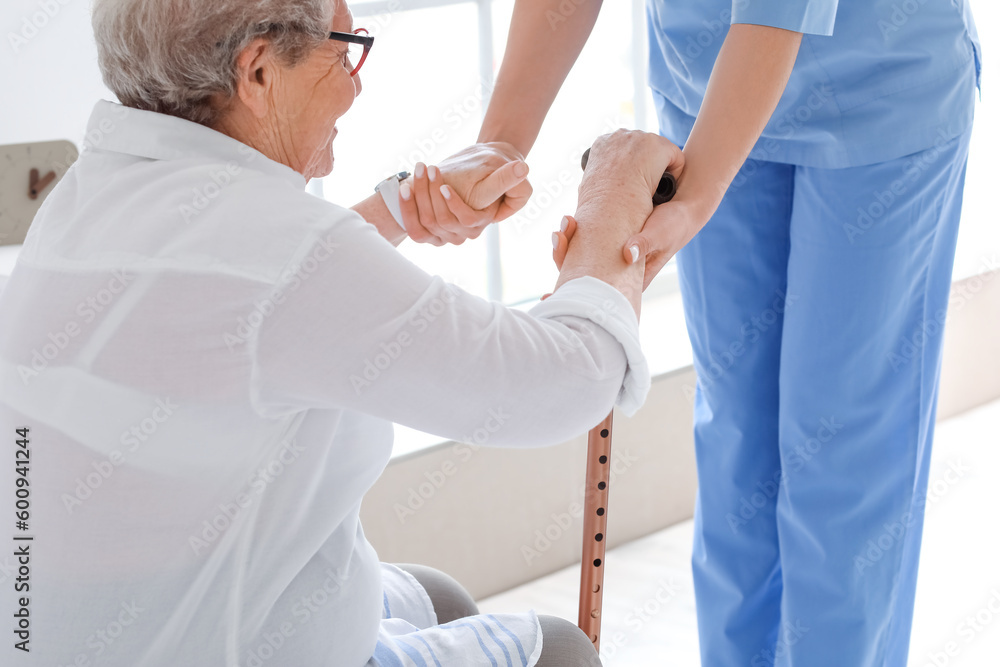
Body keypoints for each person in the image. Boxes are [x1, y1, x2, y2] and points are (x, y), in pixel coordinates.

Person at [0, 0, 684, 664]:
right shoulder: (283, 253)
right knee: (561, 649)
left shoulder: (87, 195)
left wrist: (394, 210)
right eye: (345, 50)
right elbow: (559, 386)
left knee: (438, 595)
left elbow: (241, 289)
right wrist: (612, 203)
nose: (358, 85)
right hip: (207, 639)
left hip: (77, 625)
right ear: (259, 72)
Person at [407, 0, 981, 664]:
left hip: (878, 93)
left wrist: (698, 197)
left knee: (840, 451)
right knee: (737, 439)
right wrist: (502, 143)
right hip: (704, 89)